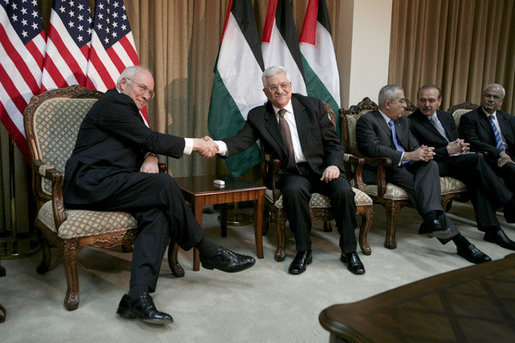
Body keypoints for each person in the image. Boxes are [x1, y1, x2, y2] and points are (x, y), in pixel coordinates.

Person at [63, 66, 255, 325]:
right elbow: (148, 137)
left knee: (158, 213)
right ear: (122, 84)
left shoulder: (128, 112)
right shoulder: (114, 102)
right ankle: (208, 250)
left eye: (151, 92)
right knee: (164, 185)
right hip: (89, 183)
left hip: (114, 183)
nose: (146, 96)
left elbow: (140, 141)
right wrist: (197, 144)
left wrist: (150, 155)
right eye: (142, 88)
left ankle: (137, 296)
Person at [214, 65, 365, 275]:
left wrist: (333, 165)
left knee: (344, 192)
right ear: (266, 92)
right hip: (292, 172)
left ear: (290, 86)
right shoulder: (259, 116)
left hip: (323, 169)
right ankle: (304, 250)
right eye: (273, 87)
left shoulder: (312, 106)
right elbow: (241, 140)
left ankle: (349, 251)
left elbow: (333, 143)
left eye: (283, 84)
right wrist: (216, 146)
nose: (280, 90)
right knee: (293, 193)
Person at [356, 84, 491, 264]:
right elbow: (373, 148)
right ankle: (462, 243)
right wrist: (409, 155)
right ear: (388, 104)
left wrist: (423, 152)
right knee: (422, 190)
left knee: (431, 165)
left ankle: (432, 220)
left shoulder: (403, 121)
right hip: (384, 170)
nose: (405, 105)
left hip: (407, 166)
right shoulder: (367, 121)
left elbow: (413, 145)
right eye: (402, 101)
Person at [459, 84, 515, 193]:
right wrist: (499, 152)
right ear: (481, 98)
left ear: (501, 101)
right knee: (511, 169)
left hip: (510, 156)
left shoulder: (508, 119)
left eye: (495, 97)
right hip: (490, 158)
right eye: (488, 96)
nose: (491, 100)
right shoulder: (469, 118)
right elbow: (472, 141)